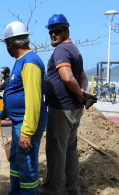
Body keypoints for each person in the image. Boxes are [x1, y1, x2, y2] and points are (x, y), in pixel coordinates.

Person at [41, 14, 88, 195]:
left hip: (62, 109)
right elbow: (82, 76)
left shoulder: (61, 50)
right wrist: (82, 93)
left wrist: (79, 94)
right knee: (70, 150)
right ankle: (73, 189)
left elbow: (68, 78)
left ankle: (51, 190)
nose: (53, 34)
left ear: (66, 30)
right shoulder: (74, 50)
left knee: (56, 151)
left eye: (57, 31)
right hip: (73, 108)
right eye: (51, 31)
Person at [2, 21, 48, 195]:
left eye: (6, 43)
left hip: (25, 123)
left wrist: (27, 132)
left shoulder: (30, 62)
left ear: (11, 43)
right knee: (17, 161)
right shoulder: (21, 60)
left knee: (27, 166)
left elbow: (34, 99)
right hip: (19, 121)